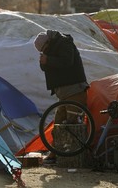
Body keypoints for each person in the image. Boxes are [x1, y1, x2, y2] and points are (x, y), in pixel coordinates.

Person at [34, 29, 89, 163]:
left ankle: (73, 157)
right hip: (63, 93)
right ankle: (55, 154)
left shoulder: (65, 43)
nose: (45, 52)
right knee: (59, 123)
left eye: (45, 49)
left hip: (74, 90)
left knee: (72, 123)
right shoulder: (54, 48)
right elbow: (49, 66)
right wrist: (44, 62)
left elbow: (66, 62)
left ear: (49, 42)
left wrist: (48, 60)